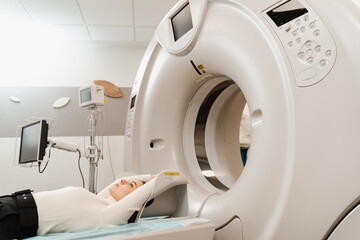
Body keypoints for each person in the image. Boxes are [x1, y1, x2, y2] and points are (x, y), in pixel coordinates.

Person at [0, 175, 151, 240]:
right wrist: (131, 182)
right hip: (10, 203)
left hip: (13, 220)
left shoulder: (108, 215)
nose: (124, 180)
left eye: (131, 185)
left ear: (137, 200)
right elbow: (119, 179)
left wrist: (172, 174)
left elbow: (153, 184)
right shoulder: (101, 199)